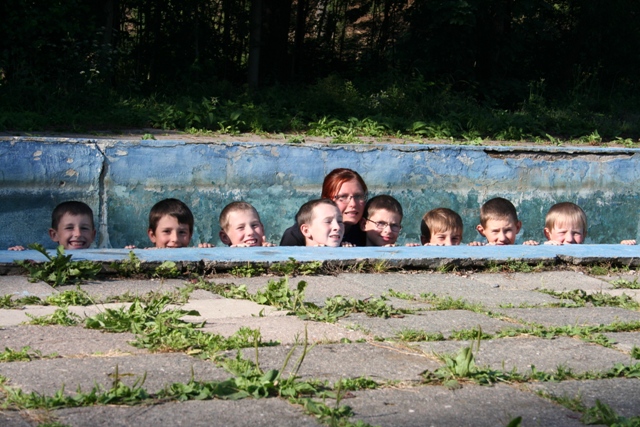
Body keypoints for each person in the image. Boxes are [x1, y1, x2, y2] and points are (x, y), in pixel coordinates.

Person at [280, 168, 367, 246]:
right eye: (343, 197)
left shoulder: (369, 228)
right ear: (327, 200)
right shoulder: (296, 236)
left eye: (358, 196)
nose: (353, 204)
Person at [8, 201, 96, 251]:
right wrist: (19, 253)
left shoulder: (99, 262)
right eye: (69, 228)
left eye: (84, 228)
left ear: (93, 235)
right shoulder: (45, 260)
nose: (78, 234)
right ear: (54, 235)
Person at [126, 198, 212, 249]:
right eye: (167, 231)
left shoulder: (194, 255)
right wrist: (130, 254)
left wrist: (206, 251)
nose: (175, 239)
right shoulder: (145, 255)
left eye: (182, 232)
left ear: (190, 235)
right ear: (152, 236)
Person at [543, 202, 636, 245]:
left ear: (584, 235)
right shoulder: (547, 247)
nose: (570, 239)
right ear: (548, 234)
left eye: (576, 233)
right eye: (562, 232)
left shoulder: (587, 250)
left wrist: (623, 246)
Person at [472, 197, 538, 246]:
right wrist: (474, 248)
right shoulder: (480, 249)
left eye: (508, 230)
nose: (502, 238)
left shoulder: (522, 248)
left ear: (517, 227)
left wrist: (530, 248)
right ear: (482, 231)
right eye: (495, 231)